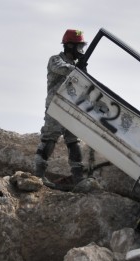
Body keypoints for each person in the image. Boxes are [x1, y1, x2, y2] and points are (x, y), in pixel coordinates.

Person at [34, 29, 88, 188]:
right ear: (69, 46)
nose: (81, 51)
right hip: (56, 105)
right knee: (49, 138)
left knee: (73, 141)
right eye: (79, 47)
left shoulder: (75, 65)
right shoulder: (56, 60)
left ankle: (78, 178)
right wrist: (79, 70)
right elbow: (63, 69)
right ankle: (38, 176)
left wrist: (83, 70)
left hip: (70, 108)